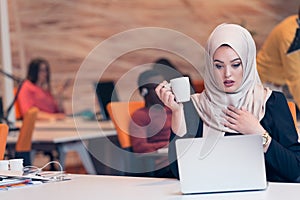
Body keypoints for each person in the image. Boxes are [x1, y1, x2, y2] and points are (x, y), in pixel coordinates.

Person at [156, 23, 300, 182]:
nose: (227, 74)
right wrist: (177, 112)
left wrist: (258, 133)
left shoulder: (271, 102)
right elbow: (179, 172)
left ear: (248, 62)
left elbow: (295, 169)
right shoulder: (195, 106)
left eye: (236, 64)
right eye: (218, 66)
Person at [256, 8, 300, 115]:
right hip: (264, 86)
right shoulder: (291, 37)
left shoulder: (295, 22)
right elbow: (295, 79)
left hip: (281, 86)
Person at [129, 69, 172, 153]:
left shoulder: (172, 109)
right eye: (157, 88)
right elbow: (140, 147)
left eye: (164, 87)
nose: (163, 91)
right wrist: (168, 145)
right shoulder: (140, 116)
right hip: (161, 158)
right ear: (144, 92)